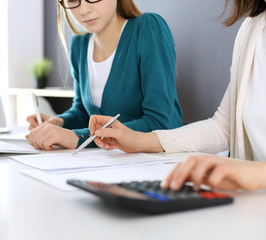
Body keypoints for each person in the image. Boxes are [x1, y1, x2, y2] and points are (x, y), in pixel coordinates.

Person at [89, 0, 266, 191]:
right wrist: (140, 140)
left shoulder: (148, 27)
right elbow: (223, 127)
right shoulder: (253, 27)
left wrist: (255, 173)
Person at [26, 0, 182, 150]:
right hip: (113, 160)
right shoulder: (79, 45)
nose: (83, 10)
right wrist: (59, 122)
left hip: (162, 160)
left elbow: (159, 122)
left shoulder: (148, 28)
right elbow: (82, 111)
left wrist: (77, 137)